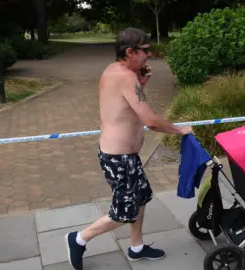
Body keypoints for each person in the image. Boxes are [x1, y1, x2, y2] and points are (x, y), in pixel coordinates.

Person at [64, 27, 194, 270]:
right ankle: (79, 239)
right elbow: (151, 121)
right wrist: (180, 130)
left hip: (127, 155)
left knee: (142, 197)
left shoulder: (122, 73)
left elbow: (127, 106)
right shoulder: (123, 76)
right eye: (145, 51)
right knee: (123, 212)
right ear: (130, 52)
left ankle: (136, 248)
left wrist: (141, 83)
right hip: (117, 157)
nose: (150, 55)